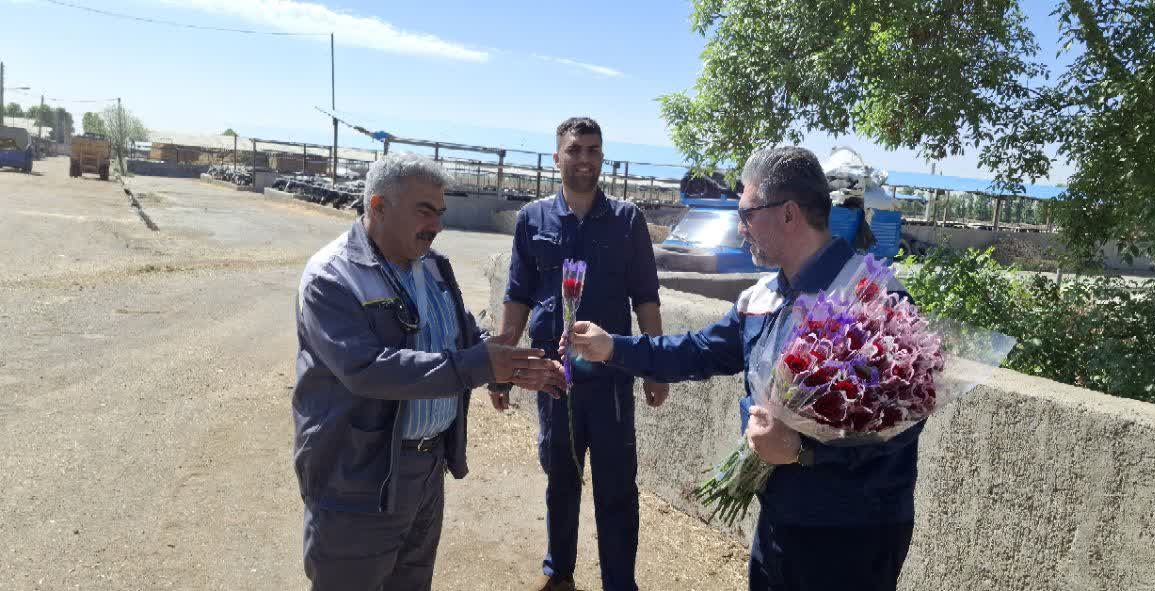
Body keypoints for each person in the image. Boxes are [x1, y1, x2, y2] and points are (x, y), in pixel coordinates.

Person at [566, 147, 919, 591]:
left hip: (852, 533)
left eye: (747, 213)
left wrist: (802, 451)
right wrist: (612, 348)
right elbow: (699, 350)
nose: (740, 227)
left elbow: (903, 423)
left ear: (788, 214)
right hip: (779, 520)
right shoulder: (762, 297)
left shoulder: (872, 296)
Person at [293, 153, 566, 591]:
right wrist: (480, 364)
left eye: (440, 212)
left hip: (426, 470)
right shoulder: (333, 276)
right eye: (424, 211)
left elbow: (462, 337)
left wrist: (509, 367)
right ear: (378, 206)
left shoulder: (434, 266)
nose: (437, 224)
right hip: (357, 477)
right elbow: (367, 369)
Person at [489, 116, 666, 591]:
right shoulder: (532, 220)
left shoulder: (627, 221)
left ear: (602, 157)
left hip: (611, 380)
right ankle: (559, 573)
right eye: (574, 150)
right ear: (557, 158)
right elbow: (517, 298)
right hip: (553, 378)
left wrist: (655, 366)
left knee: (617, 489)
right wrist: (501, 367)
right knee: (560, 480)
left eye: (592, 150)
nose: (584, 159)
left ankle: (619, 583)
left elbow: (645, 298)